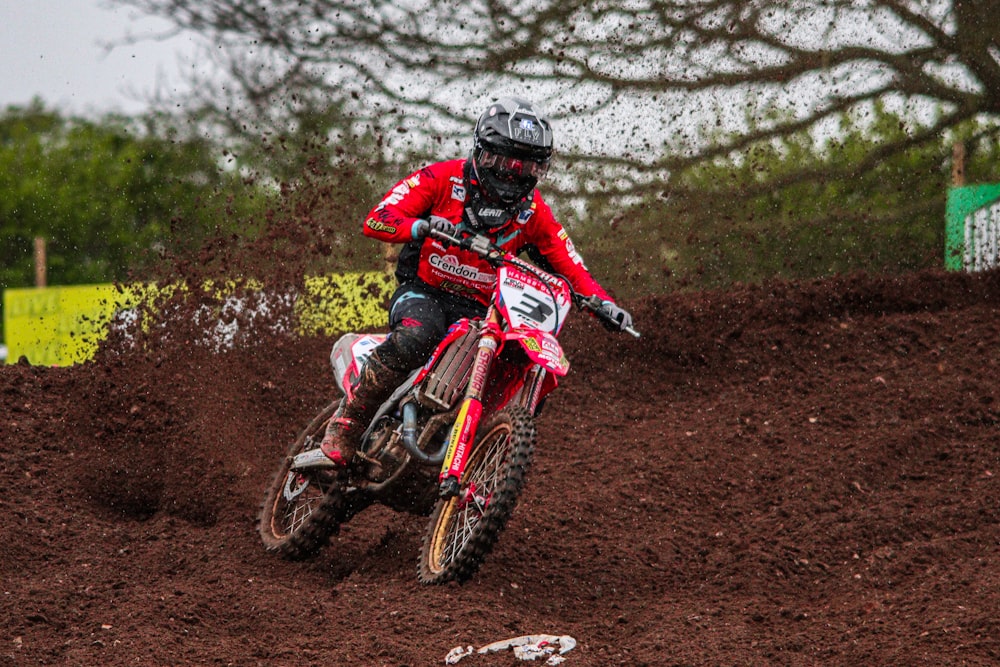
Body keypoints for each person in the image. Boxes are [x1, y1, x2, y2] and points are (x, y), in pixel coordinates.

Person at [317, 96, 633, 467]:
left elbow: (573, 269)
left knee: (521, 362)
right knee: (418, 336)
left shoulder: (535, 215)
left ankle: (483, 459)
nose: (514, 175)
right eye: (505, 163)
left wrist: (606, 305)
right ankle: (347, 422)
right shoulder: (440, 178)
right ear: (482, 154)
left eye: (528, 167)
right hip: (424, 292)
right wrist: (419, 226)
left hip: (485, 313)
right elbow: (378, 218)